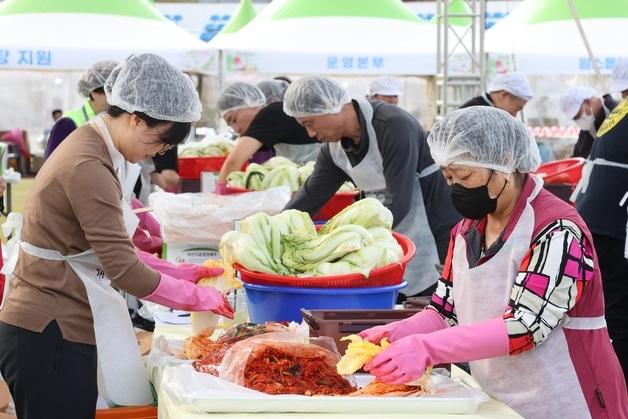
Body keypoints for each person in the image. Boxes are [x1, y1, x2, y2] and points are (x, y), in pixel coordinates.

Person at [0, 54, 234, 419]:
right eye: (159, 141)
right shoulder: (88, 164)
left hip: (62, 320)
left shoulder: (98, 147)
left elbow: (108, 247)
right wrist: (198, 297)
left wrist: (179, 272)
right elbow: (124, 270)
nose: (158, 152)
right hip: (48, 326)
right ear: (136, 119)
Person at [359, 106, 628, 419]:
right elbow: (447, 312)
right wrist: (398, 333)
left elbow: (525, 325)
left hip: (570, 398)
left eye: (465, 176)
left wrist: (427, 348)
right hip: (501, 400)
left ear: (504, 164)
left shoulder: (556, 229)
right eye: (448, 177)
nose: (455, 188)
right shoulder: (468, 229)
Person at [282, 76, 460, 297]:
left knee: (431, 302)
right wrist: (276, 228)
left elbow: (399, 200)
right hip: (385, 233)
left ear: (332, 107)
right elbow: (310, 196)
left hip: (433, 231)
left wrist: (343, 243)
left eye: (309, 123)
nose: (310, 134)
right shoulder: (334, 149)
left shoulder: (393, 125)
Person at [573, 91, 628, 382]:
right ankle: (617, 387)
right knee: (618, 313)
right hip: (615, 224)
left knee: (606, 310)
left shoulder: (619, 112)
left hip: (596, 219)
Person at [215, 82, 321, 191]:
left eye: (233, 119)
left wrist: (221, 192)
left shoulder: (269, 114)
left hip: (309, 187)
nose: (236, 129)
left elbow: (233, 162)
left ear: (249, 102)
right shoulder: (280, 114)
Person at [45, 60, 118, 158]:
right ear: (94, 93)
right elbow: (52, 163)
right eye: (110, 93)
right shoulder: (68, 121)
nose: (114, 98)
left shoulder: (115, 119)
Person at [559, 86, 618, 158]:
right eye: (574, 118)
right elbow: (579, 155)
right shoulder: (589, 126)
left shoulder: (617, 112)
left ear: (587, 102)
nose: (578, 121)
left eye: (578, 115)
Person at [460, 72, 533, 117]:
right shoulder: (477, 114)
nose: (514, 115)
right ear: (504, 95)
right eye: (517, 108)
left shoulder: (486, 109)